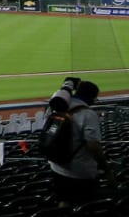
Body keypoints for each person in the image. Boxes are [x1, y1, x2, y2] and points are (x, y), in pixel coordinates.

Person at [46, 79, 114, 207]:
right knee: (86, 205)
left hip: (56, 165)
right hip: (80, 171)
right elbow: (93, 145)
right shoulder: (88, 114)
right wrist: (107, 170)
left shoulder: (56, 107)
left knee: (64, 200)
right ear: (91, 97)